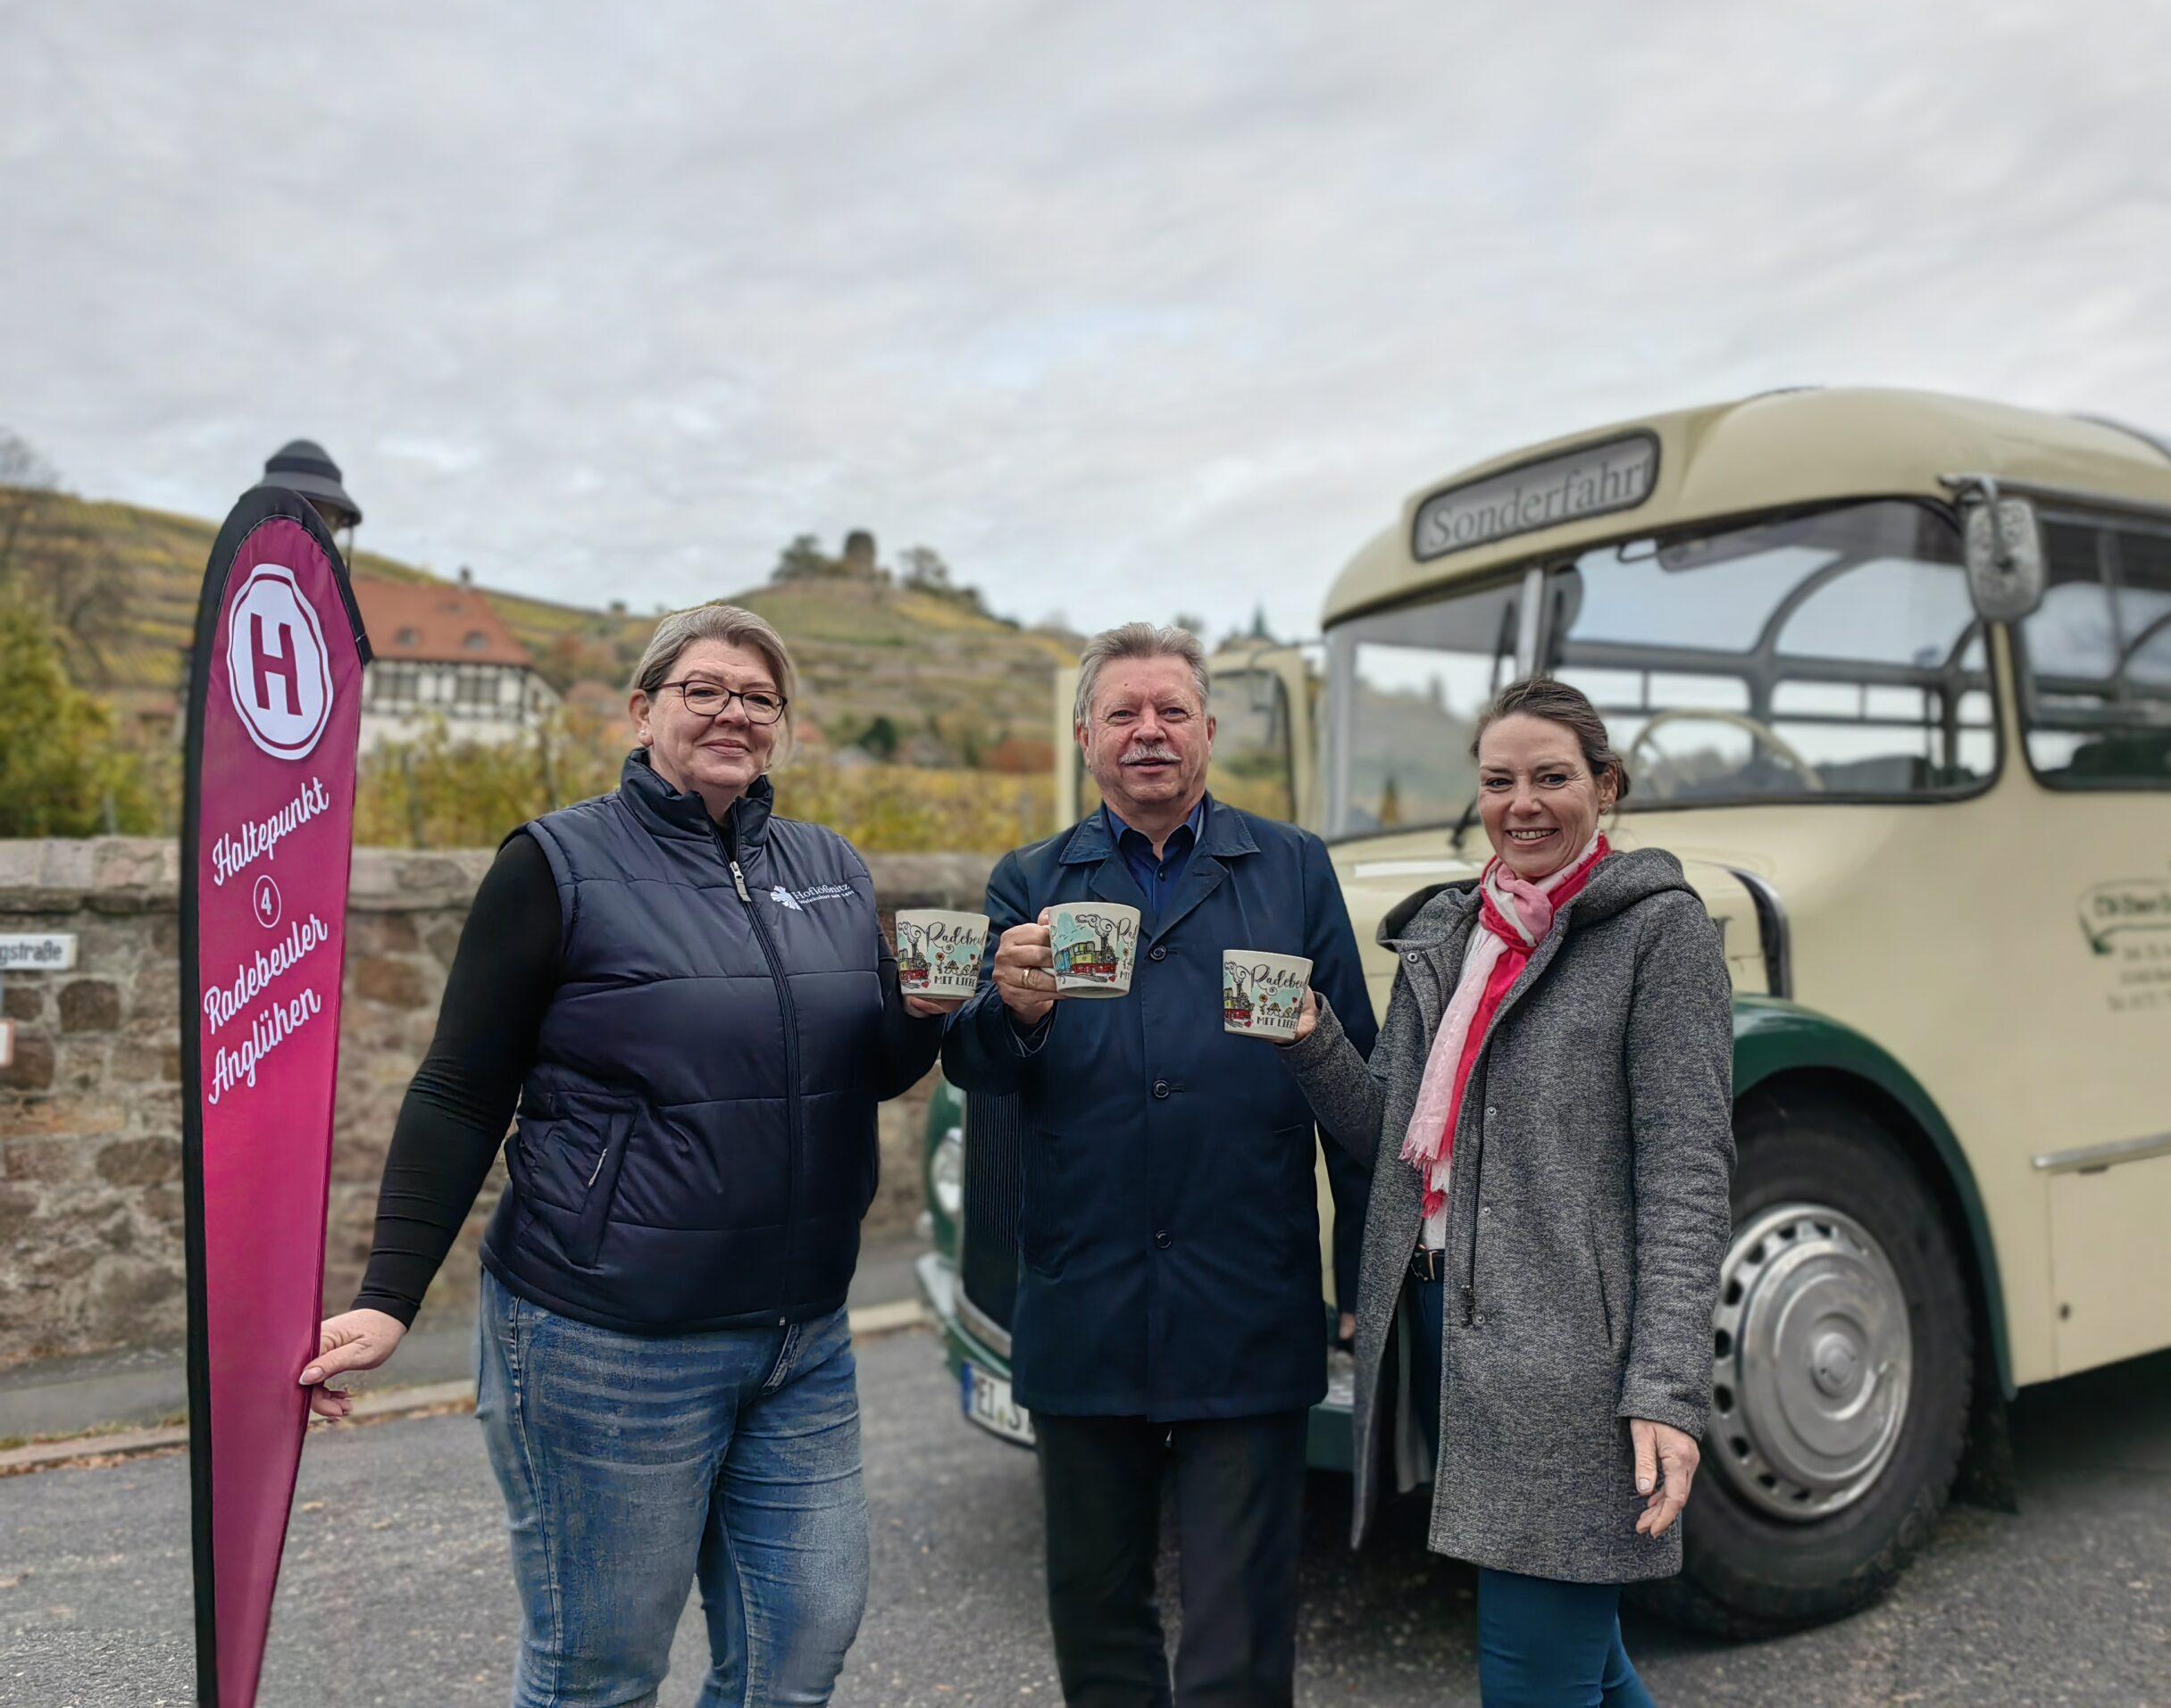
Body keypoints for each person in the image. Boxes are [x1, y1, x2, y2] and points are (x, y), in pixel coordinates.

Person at [299, 604, 956, 1706]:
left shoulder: (832, 869)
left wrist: (928, 1013)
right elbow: (461, 1087)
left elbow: (871, 1066)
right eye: (704, 690)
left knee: (800, 1648)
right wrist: (389, 1296)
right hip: (607, 1339)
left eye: (757, 697)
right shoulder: (555, 863)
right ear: (645, 708)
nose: (732, 714)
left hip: (800, 1336)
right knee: (600, 1672)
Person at [941, 621, 1378, 1708]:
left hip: (1247, 1290)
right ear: (1087, 735)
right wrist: (1016, 1013)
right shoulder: (1031, 879)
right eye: (1124, 714)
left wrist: (1367, 1276)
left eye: (1171, 712)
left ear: (1207, 733)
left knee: (1240, 1632)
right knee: (1094, 1612)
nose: (1149, 732)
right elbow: (973, 1065)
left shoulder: (1292, 868)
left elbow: (1362, 1098)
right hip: (1085, 1294)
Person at [1278, 677, 1733, 1708]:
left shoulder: (1661, 936)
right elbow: (1391, 1135)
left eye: (1550, 778)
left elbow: (1687, 1176)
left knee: (1535, 1665)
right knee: (1580, 1653)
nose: (1521, 803)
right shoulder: (1448, 930)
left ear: (1604, 786)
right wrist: (1308, 1039)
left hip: (1573, 1351)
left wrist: (1664, 1388)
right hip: (1444, 1327)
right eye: (1497, 781)